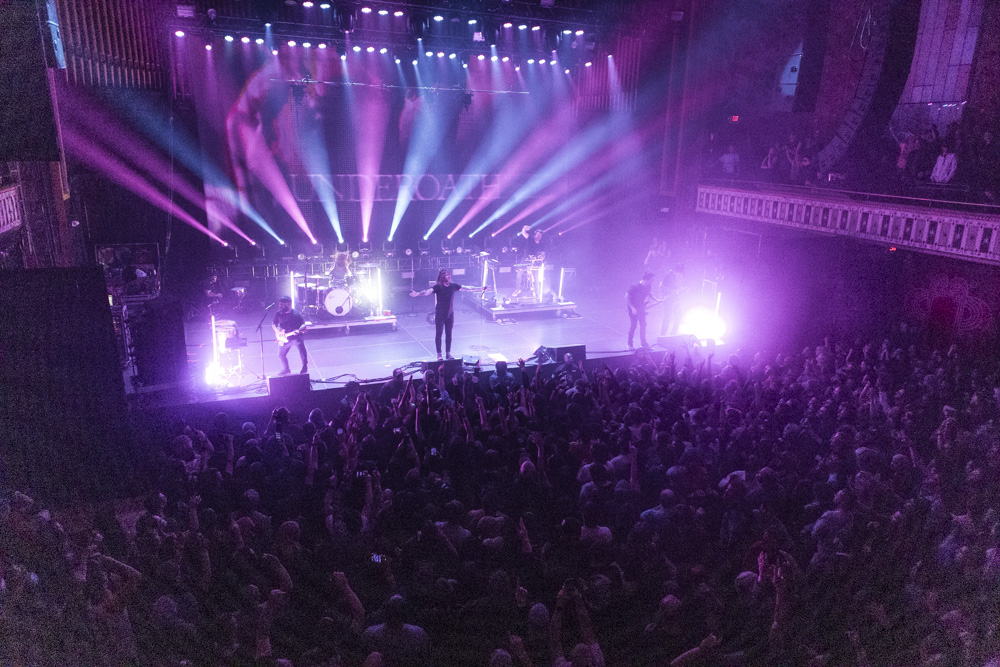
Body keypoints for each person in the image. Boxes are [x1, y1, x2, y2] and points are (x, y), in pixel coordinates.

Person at [410, 270, 486, 361]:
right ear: (442, 277)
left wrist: (481, 288)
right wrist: (418, 293)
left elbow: (467, 288)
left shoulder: (453, 286)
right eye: (446, 275)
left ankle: (448, 353)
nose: (449, 277)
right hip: (440, 314)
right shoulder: (438, 287)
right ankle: (439, 354)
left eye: (449, 275)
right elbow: (428, 292)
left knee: (449, 334)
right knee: (439, 334)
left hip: (450, 314)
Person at [272, 295, 308, 375]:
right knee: (281, 355)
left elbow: (303, 325)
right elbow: (274, 323)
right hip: (284, 338)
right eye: (280, 305)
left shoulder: (296, 314)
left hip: (295, 337)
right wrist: (278, 330)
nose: (280, 307)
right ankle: (286, 369)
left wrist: (299, 330)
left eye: (282, 305)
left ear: (289, 305)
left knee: (301, 349)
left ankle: (305, 366)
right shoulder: (278, 313)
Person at [626, 272, 661, 350]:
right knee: (633, 326)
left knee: (643, 325)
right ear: (645, 280)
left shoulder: (648, 286)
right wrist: (632, 308)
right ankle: (630, 344)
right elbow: (627, 297)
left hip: (641, 308)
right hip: (633, 308)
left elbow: (650, 293)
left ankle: (643, 343)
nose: (652, 282)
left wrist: (657, 300)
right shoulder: (635, 287)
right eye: (651, 280)